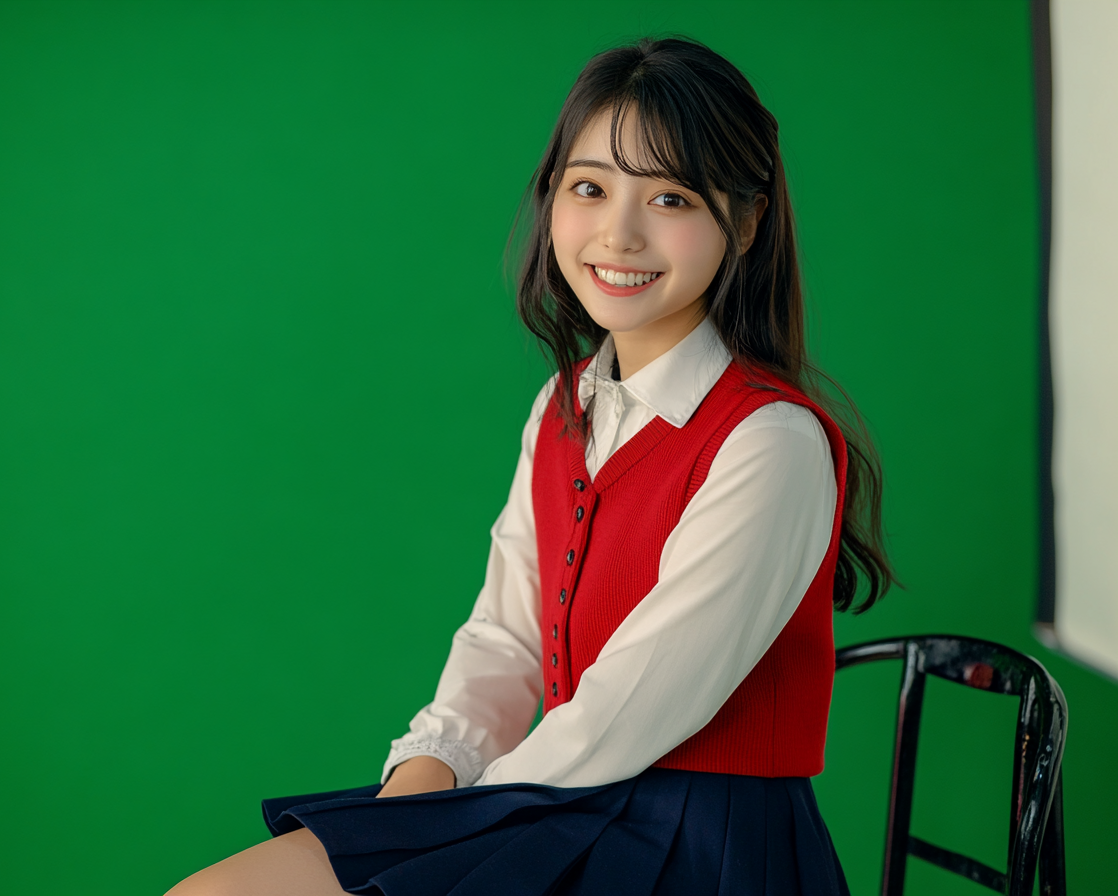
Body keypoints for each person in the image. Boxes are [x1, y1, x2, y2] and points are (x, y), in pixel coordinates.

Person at [167, 35, 895, 896]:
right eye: (590, 188)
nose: (618, 234)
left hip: (702, 847)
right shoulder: (562, 409)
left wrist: (440, 831)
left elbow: (631, 709)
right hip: (561, 799)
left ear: (744, 220)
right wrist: (429, 769)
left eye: (668, 196)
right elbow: (505, 637)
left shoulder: (771, 443)